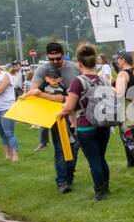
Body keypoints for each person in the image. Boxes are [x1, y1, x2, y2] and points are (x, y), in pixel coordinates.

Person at [57, 44, 112, 200]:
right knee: (101, 157)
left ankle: (99, 192)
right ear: (95, 62)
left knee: (93, 160)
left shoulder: (78, 81)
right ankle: (106, 188)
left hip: (86, 126)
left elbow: (69, 107)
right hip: (104, 124)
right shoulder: (104, 80)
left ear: (79, 64)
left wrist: (60, 112)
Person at [30, 42, 79, 151]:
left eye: (58, 58)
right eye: (51, 59)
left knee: (77, 144)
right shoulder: (42, 69)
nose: (55, 62)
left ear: (63, 54)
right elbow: (33, 90)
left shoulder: (75, 67)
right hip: (55, 112)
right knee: (60, 147)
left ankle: (70, 167)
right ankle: (64, 167)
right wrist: (54, 98)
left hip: (76, 111)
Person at [33, 67, 76, 191]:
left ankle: (67, 178)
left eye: (55, 77)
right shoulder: (42, 88)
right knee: (60, 149)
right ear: (46, 78)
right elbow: (34, 94)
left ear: (60, 78)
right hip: (51, 120)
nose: (53, 80)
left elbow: (67, 100)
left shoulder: (63, 88)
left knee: (70, 148)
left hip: (64, 119)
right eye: (50, 77)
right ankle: (62, 181)